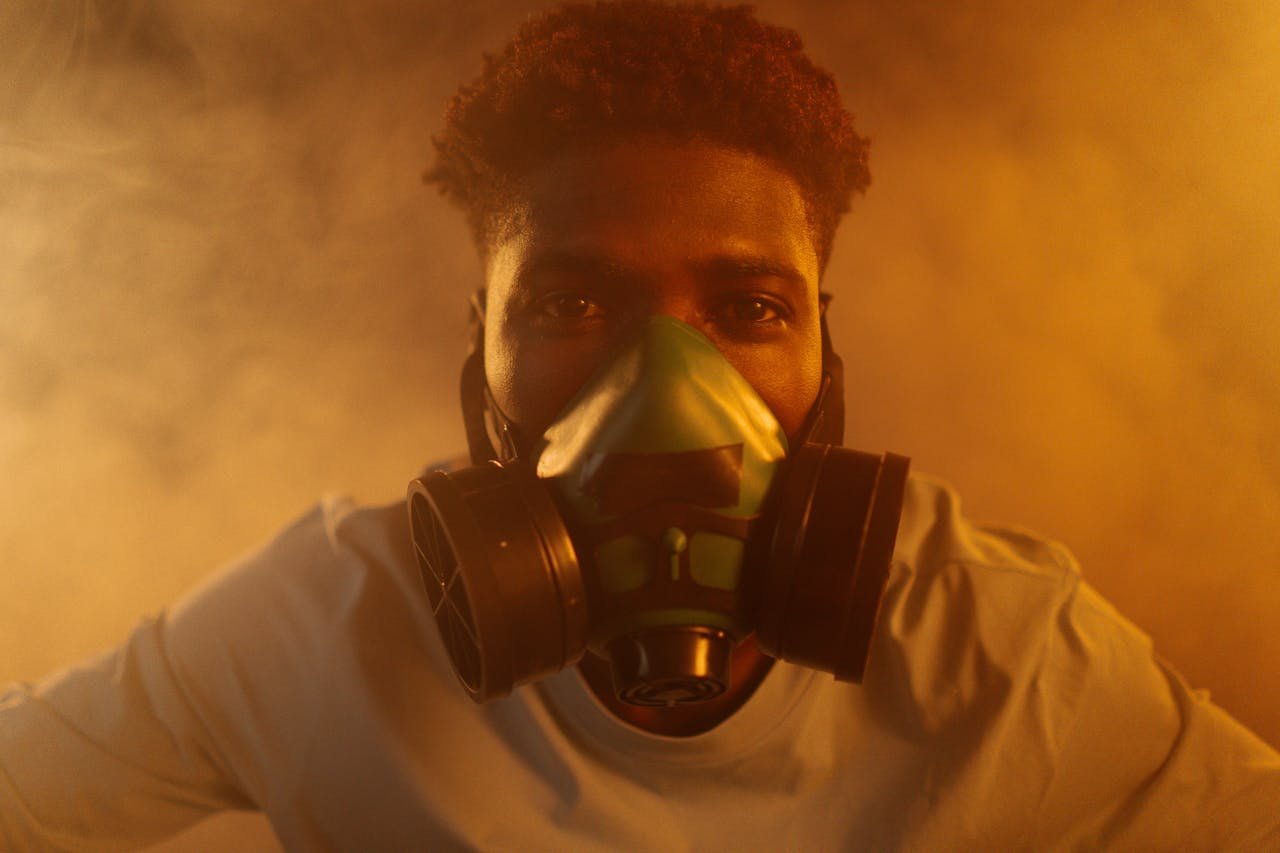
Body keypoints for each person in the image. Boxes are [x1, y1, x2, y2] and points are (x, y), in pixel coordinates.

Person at [2, 1, 1277, 849]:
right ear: (479, 342)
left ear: (824, 345)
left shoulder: (995, 645)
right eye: (570, 299)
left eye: (747, 306)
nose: (667, 382)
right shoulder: (324, 624)